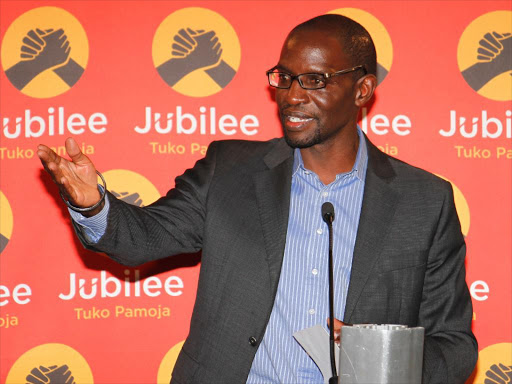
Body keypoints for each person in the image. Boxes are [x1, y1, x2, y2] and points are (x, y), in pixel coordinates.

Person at [38, 14, 477, 384]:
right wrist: (92, 203)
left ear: (362, 90)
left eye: (314, 79)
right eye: (284, 78)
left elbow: (454, 347)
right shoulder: (229, 169)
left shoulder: (425, 201)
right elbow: (141, 239)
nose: (292, 95)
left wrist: (382, 360)